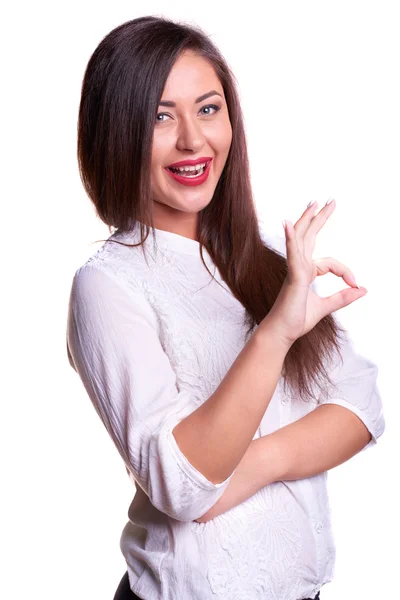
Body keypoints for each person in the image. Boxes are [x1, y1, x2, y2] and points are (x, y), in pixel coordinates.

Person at [66, 15, 385, 600]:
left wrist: (244, 469)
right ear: (114, 132)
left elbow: (362, 406)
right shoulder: (107, 285)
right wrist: (275, 335)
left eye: (208, 109)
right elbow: (181, 486)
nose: (193, 139)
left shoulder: (256, 258)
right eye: (161, 116)